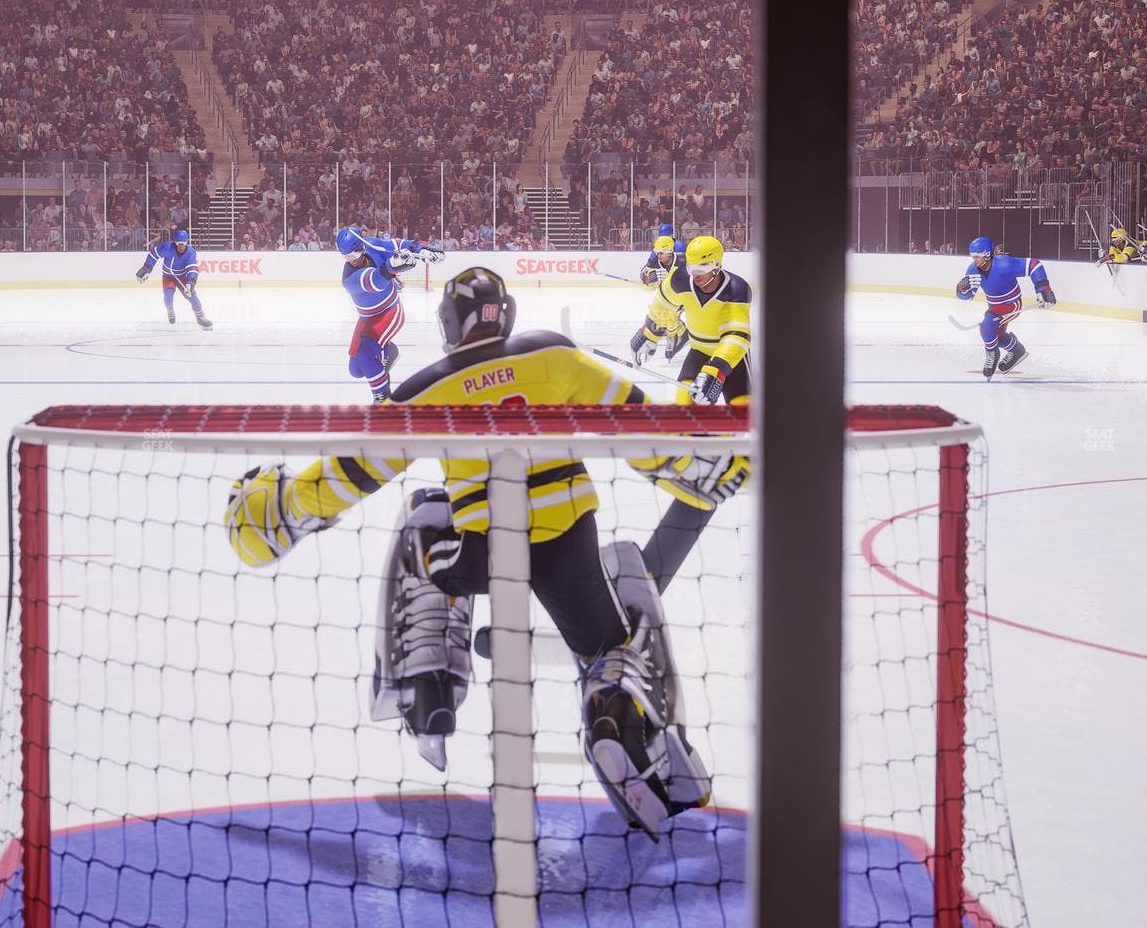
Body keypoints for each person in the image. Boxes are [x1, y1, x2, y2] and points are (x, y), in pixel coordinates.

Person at [222, 267, 745, 836]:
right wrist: (706, 464)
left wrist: (283, 514)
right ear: (509, 312)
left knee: (426, 524)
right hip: (568, 541)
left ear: (449, 325)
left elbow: (356, 470)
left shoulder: (428, 388)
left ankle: (428, 686)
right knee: (611, 632)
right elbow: (645, 429)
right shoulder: (557, 356)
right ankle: (618, 720)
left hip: (484, 556)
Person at [337, 225, 443, 402]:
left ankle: (383, 396)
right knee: (355, 371)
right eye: (345, 256)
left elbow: (397, 244)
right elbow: (376, 282)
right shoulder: (348, 279)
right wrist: (392, 266)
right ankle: (388, 352)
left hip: (389, 312)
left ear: (361, 247)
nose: (350, 261)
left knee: (365, 354)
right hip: (368, 318)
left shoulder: (372, 244)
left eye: (353, 255)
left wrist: (420, 247)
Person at [642, 234, 752, 404]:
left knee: (744, 413)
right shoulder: (681, 279)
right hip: (698, 352)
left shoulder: (737, 289)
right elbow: (663, 304)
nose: (695, 276)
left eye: (700, 270)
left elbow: (735, 336)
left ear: (716, 265)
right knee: (683, 409)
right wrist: (649, 334)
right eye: (691, 269)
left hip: (732, 361)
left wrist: (716, 369)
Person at [953, 236, 1053, 379]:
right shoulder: (973, 269)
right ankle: (1016, 350)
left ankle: (992, 354)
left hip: (1011, 304)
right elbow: (967, 297)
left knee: (987, 327)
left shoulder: (1005, 264)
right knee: (994, 336)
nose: (974, 260)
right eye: (972, 256)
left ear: (987, 254)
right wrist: (961, 288)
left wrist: (1043, 289)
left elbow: (1034, 264)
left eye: (977, 256)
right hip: (994, 307)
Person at [627, 224, 688, 365]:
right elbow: (646, 270)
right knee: (666, 313)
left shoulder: (680, 249)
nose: (658, 255)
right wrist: (648, 277)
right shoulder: (660, 248)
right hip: (667, 289)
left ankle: (675, 337)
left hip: (679, 290)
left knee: (671, 312)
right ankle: (679, 334)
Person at [135, 228, 212, 329]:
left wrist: (190, 282)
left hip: (183, 277)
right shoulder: (167, 247)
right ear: (175, 242)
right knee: (168, 296)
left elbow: (192, 268)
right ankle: (170, 309)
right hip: (168, 276)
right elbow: (153, 254)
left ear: (186, 242)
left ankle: (201, 317)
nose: (180, 246)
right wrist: (146, 269)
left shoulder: (191, 252)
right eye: (178, 243)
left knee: (192, 296)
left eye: (183, 243)